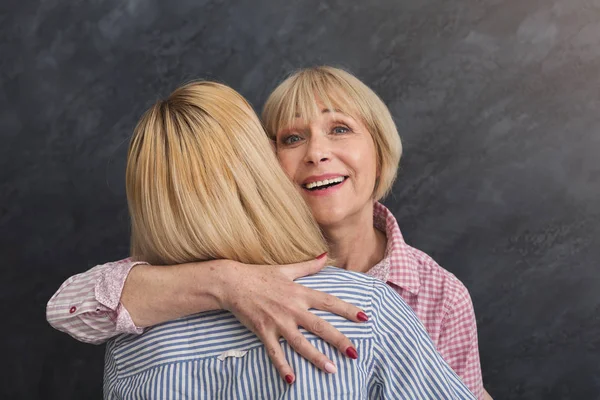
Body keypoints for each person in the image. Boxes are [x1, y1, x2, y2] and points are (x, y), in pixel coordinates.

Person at [47, 67, 487, 398]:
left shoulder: (439, 294)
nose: (317, 152)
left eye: (339, 129)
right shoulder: (182, 287)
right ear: (264, 164)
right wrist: (229, 283)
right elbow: (67, 309)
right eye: (292, 138)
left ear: (381, 147)